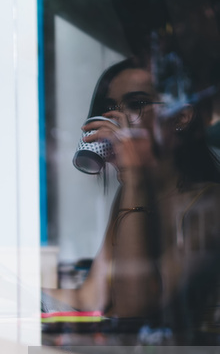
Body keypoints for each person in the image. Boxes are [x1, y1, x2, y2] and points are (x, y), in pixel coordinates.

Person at [43, 55, 220, 336]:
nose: (117, 120)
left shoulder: (209, 204)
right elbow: (91, 298)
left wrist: (132, 174)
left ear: (181, 117)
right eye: (109, 108)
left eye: (136, 105)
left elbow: (134, 310)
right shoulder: (131, 195)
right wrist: (10, 294)